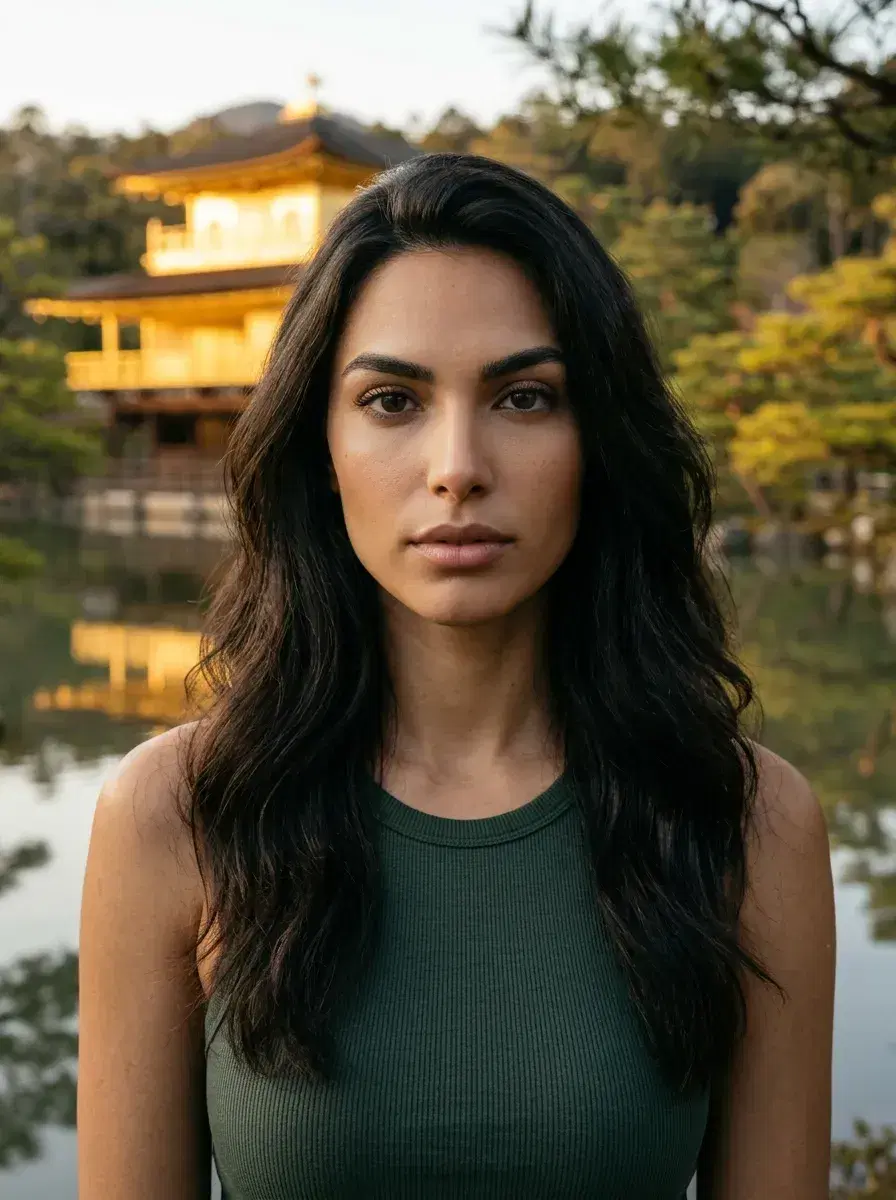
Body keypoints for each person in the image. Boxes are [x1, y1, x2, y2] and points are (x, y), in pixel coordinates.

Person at [77, 153, 835, 1200]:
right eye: (391, 400)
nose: (456, 465)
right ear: (320, 445)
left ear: (598, 438)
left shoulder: (744, 820)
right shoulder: (176, 813)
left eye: (524, 397)